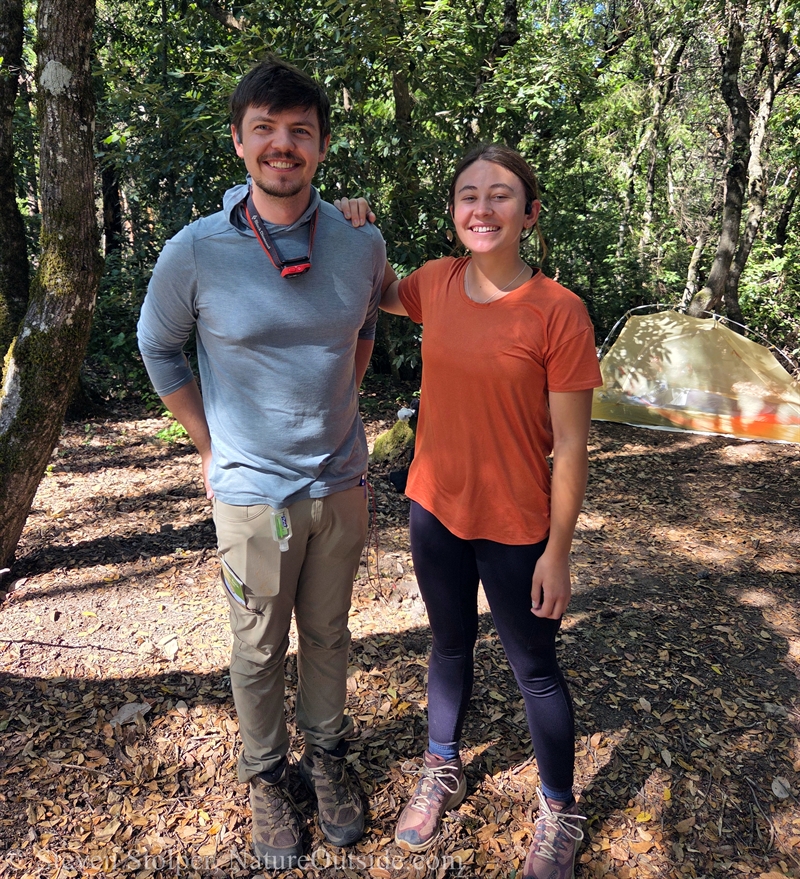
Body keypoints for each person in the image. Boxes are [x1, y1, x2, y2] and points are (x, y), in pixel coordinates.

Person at [137, 57, 387, 870]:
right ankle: (263, 774)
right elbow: (157, 345)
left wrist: (344, 402)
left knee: (327, 632)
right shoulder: (197, 250)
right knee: (256, 645)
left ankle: (326, 758)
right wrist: (209, 446)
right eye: (267, 130)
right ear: (240, 141)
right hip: (250, 491)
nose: (284, 146)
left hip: (339, 483)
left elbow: (367, 324)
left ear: (320, 146)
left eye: (300, 133)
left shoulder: (358, 240)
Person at [339, 143, 602, 878]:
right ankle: (442, 766)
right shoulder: (435, 283)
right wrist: (359, 227)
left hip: (518, 525)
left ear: (529, 212)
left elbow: (574, 449)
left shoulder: (560, 312)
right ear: (454, 211)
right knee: (448, 645)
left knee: (536, 671)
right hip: (434, 509)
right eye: (468, 196)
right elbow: (378, 289)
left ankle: (559, 810)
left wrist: (559, 550)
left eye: (500, 196)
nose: (482, 209)